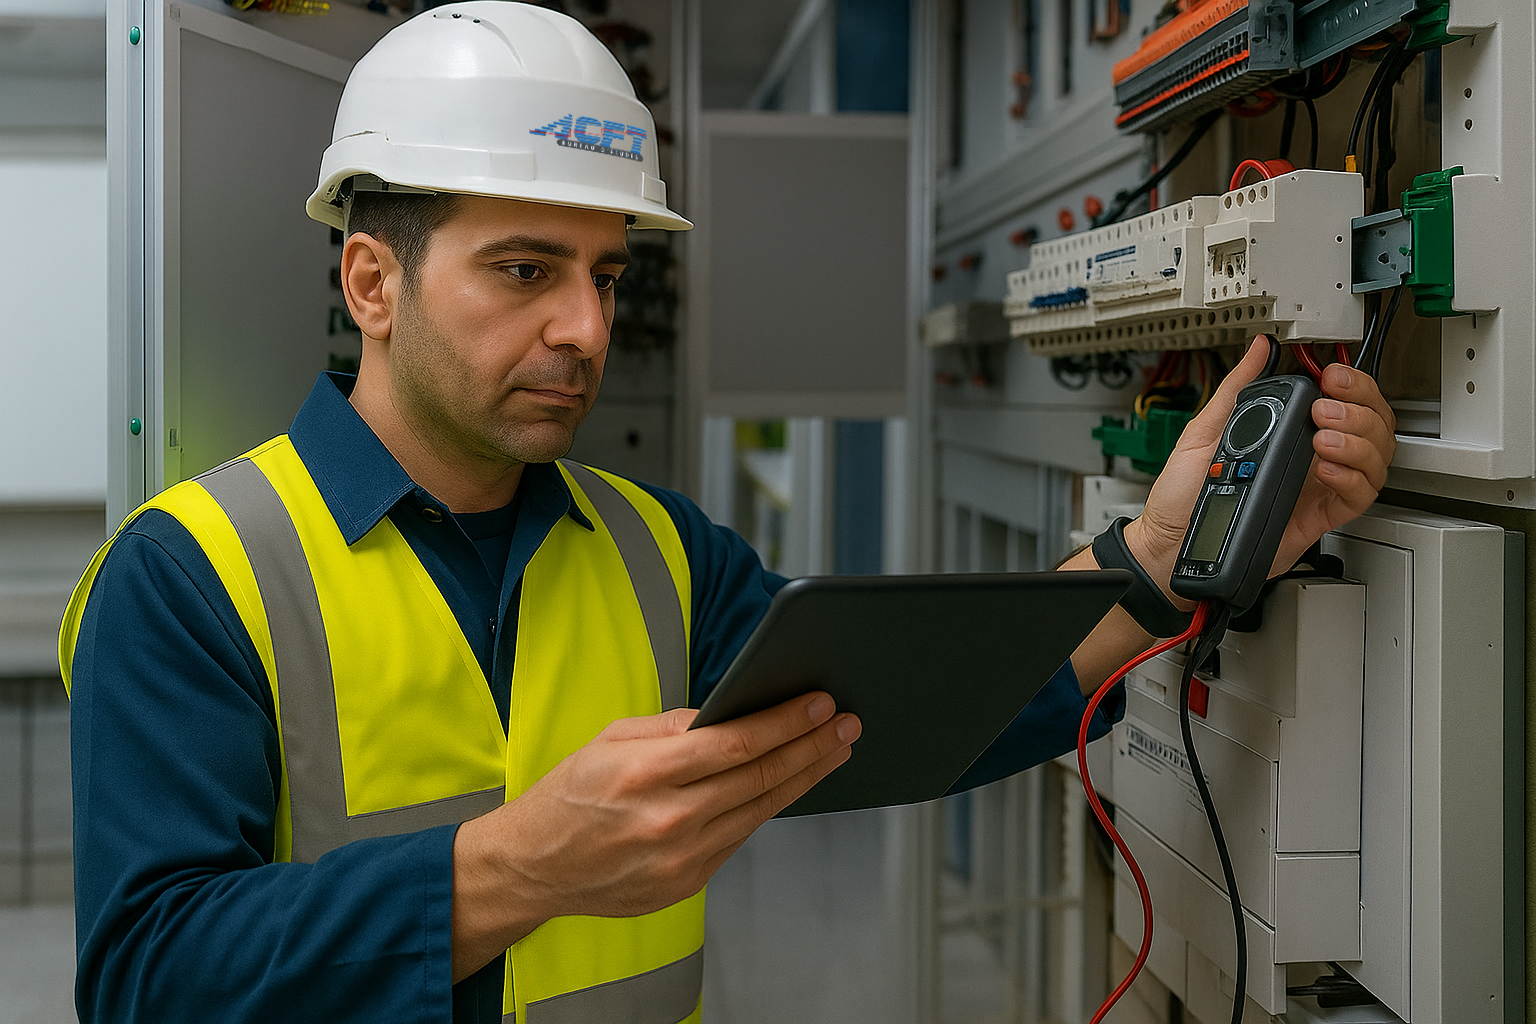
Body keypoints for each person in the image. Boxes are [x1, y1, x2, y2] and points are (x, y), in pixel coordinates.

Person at [59, 4, 1399, 1023]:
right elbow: (147, 973)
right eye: (522, 271)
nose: (583, 328)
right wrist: (519, 868)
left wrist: (1166, 553)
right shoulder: (190, 575)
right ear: (372, 282)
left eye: (602, 273)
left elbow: (912, 715)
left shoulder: (655, 548)